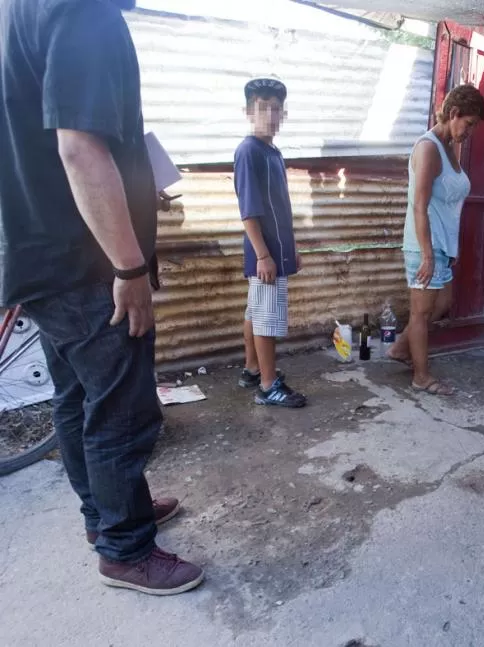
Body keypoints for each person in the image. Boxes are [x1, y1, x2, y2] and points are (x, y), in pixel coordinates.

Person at [0, 0, 204, 593]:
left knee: (76, 398)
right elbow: (79, 148)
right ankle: (126, 550)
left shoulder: (18, 12)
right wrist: (130, 266)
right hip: (88, 265)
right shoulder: (83, 11)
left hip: (42, 256)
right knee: (122, 410)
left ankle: (110, 517)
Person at [385, 84, 484, 395]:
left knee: (443, 303)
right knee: (422, 312)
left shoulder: (449, 148)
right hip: (424, 245)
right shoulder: (428, 148)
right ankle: (421, 376)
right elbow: (420, 204)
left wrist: (448, 248)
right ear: (453, 114)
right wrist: (428, 255)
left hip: (442, 245)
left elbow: (446, 204)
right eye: (469, 124)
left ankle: (400, 348)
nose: (470, 132)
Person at [234, 77, 307, 408]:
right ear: (249, 111)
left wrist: (292, 248)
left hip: (276, 250)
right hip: (265, 253)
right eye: (263, 108)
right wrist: (264, 256)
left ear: (284, 114)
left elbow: (281, 208)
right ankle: (267, 386)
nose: (270, 115)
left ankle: (252, 368)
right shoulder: (250, 151)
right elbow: (249, 211)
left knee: (255, 311)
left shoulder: (272, 152)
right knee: (266, 317)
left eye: (276, 109)